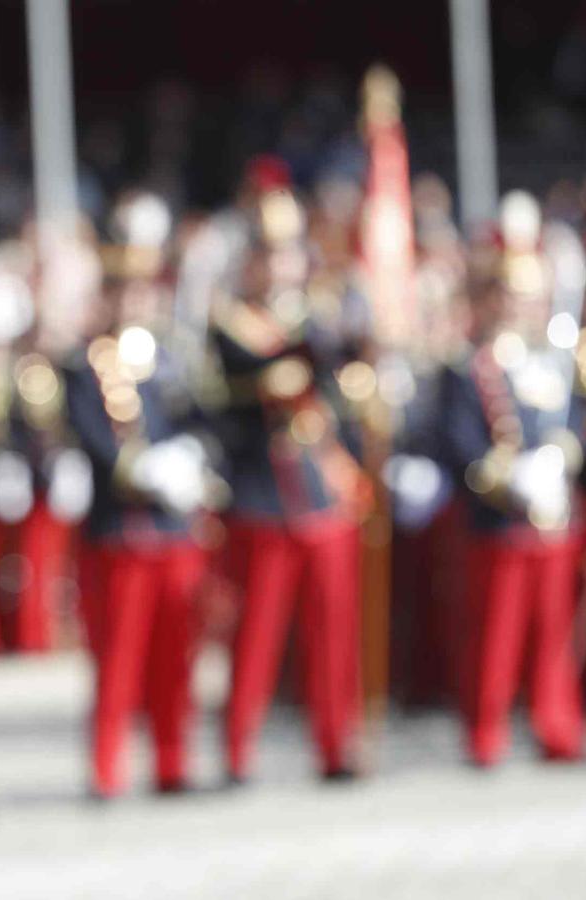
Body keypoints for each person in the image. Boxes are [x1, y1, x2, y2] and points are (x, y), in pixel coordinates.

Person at [207, 189, 368, 782]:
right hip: (262, 495)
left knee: (333, 632)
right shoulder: (230, 324)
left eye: (288, 253)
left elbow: (337, 394)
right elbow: (233, 395)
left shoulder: (319, 319)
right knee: (256, 632)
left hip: (319, 488)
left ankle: (336, 744)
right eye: (268, 254)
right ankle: (237, 748)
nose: (278, 265)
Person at [63, 192, 215, 798]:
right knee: (117, 662)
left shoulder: (170, 358)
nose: (134, 299)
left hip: (174, 532)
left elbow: (202, 419)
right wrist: (148, 467)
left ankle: (173, 762)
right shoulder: (82, 364)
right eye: (123, 287)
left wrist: (194, 456)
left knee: (175, 659)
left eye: (143, 287)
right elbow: (94, 440)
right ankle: (107, 769)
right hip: (119, 534)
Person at [436, 199, 586, 766]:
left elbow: (572, 422)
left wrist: (558, 459)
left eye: (526, 298)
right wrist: (509, 476)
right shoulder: (469, 364)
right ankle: (486, 733)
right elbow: (459, 441)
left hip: (550, 516)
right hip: (498, 517)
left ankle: (559, 727)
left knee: (554, 635)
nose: (518, 307)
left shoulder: (549, 361)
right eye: (509, 296)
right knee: (493, 635)